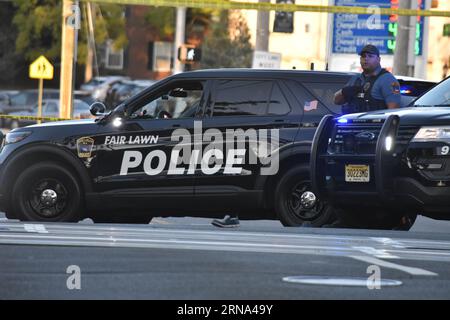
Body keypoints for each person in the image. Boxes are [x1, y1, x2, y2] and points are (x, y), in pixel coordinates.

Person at [334, 44, 401, 114]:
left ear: (378, 59)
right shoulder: (357, 79)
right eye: (363, 56)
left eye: (370, 56)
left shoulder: (389, 80)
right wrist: (344, 92)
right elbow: (336, 101)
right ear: (360, 60)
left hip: (375, 124)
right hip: (353, 123)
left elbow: (393, 111)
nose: (366, 59)